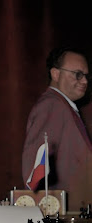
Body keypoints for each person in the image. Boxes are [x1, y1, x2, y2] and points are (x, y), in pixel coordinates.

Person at [22, 47, 92, 211]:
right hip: (62, 216)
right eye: (78, 74)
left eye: (86, 76)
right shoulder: (52, 105)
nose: (85, 81)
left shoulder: (63, 106)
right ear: (55, 74)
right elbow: (34, 168)